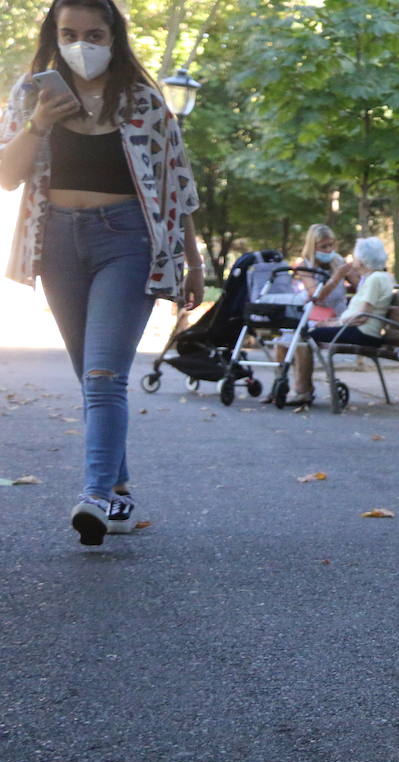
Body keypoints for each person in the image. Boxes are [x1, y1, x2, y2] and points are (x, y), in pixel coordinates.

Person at [0, 0, 203, 546]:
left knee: (103, 377)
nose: (81, 43)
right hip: (57, 243)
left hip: (129, 240)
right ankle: (120, 491)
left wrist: (192, 260)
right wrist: (41, 122)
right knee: (91, 378)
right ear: (54, 34)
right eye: (69, 32)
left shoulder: (143, 101)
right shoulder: (31, 94)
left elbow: (175, 184)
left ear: (114, 35)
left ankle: (96, 496)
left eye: (93, 32)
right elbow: (6, 176)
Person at [263, 223, 349, 407]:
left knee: (302, 339)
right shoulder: (305, 266)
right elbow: (315, 296)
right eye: (323, 246)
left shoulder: (338, 262)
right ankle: (280, 384)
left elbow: (360, 283)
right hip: (314, 315)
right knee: (285, 339)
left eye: (331, 245)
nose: (329, 250)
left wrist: (349, 273)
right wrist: (336, 278)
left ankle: (303, 390)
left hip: (337, 318)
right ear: (313, 246)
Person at [307, 237, 394, 351]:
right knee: (310, 331)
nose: (353, 260)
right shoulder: (378, 277)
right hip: (360, 330)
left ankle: (302, 369)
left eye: (355, 257)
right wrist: (334, 323)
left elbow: (361, 317)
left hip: (363, 332)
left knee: (306, 334)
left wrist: (333, 324)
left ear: (362, 260)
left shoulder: (375, 279)